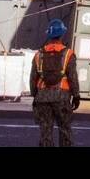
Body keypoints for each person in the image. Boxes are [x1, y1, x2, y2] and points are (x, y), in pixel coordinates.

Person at [31, 19, 79, 147]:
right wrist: (76, 95)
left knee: (45, 132)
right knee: (65, 130)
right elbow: (72, 77)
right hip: (62, 97)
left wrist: (35, 95)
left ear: (49, 35)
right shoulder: (68, 54)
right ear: (62, 34)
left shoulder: (39, 54)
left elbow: (33, 78)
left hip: (43, 98)